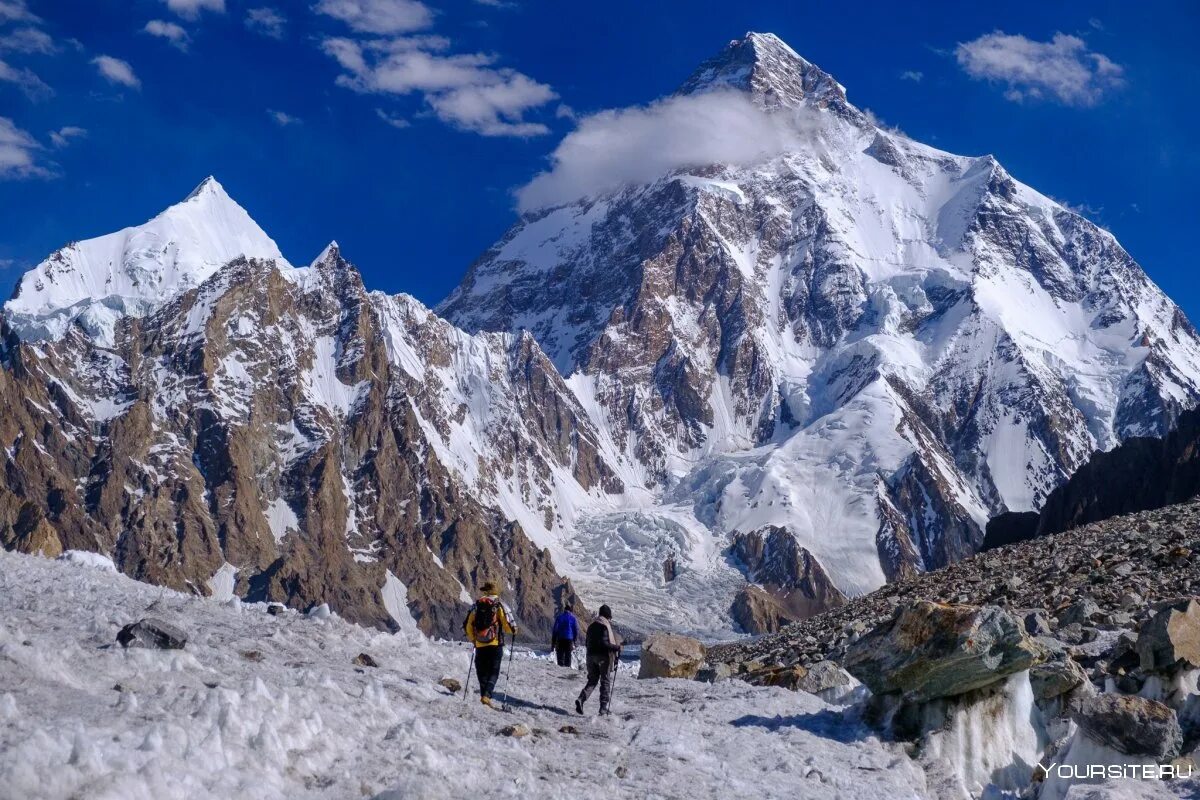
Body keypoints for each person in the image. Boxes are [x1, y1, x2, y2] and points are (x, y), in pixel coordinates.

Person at [463, 581, 516, 707]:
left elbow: (467, 626)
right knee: (494, 670)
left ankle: (484, 697)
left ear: (485, 591)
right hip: (495, 644)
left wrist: (474, 640)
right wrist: (514, 631)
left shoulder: (476, 605)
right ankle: (487, 696)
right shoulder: (499, 605)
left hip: (480, 645)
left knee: (482, 671)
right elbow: (507, 624)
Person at [575, 604, 621, 716]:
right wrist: (617, 647)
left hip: (590, 656)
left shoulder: (591, 626)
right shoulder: (604, 626)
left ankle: (581, 699)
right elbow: (605, 644)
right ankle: (603, 708)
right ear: (607, 616)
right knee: (605, 681)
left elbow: (587, 643)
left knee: (592, 680)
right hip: (603, 657)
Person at [550, 603, 579, 668]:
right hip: (569, 639)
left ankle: (560, 671)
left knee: (560, 656)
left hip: (560, 639)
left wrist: (553, 643)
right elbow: (576, 630)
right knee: (568, 656)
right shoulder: (573, 618)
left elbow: (555, 630)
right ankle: (567, 671)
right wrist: (574, 641)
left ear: (564, 610)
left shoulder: (559, 617)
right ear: (570, 611)